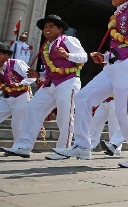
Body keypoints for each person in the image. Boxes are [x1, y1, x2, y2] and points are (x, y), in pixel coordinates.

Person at [52, 0, 128, 168]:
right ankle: (83, 145)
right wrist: (105, 57)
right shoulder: (117, 15)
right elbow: (120, 47)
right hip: (114, 66)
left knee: (124, 109)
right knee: (83, 97)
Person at [2, 15, 87, 160]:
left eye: (51, 26)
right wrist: (38, 74)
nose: (47, 29)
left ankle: (63, 149)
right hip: (50, 83)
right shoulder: (46, 46)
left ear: (60, 29)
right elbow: (49, 70)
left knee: (64, 116)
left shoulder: (68, 40)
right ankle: (23, 146)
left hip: (68, 81)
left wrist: (67, 55)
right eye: (45, 27)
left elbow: (83, 57)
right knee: (32, 108)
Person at [0, 42, 35, 142]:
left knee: (17, 125)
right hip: (6, 98)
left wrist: (20, 84)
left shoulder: (16, 63)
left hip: (22, 97)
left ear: (6, 55)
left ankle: (20, 147)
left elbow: (32, 76)